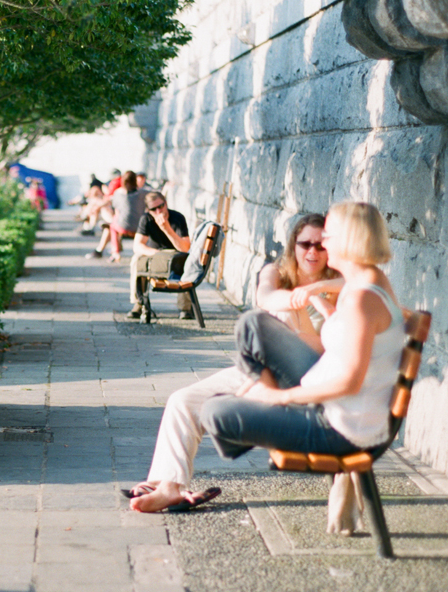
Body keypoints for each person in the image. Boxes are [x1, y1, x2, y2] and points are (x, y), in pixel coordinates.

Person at [125, 212, 342, 514]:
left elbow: (322, 347)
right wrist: (299, 296)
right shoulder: (276, 272)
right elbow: (265, 296)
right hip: (261, 369)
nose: (312, 252)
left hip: (304, 379)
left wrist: (313, 295)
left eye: (321, 246)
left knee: (279, 320)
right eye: (305, 244)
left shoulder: (339, 287)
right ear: (294, 245)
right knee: (182, 400)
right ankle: (170, 487)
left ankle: (235, 415)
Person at [201, 201, 404, 490]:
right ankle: (258, 413)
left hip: (340, 428)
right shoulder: (370, 281)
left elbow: (350, 382)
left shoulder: (362, 299)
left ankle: (259, 415)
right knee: (253, 323)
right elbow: (351, 338)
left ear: (348, 240)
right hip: (333, 404)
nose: (321, 244)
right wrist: (318, 297)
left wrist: (280, 398)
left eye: (327, 237)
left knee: (214, 411)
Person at [127, 190, 192, 319]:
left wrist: (167, 229)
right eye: (153, 209)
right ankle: (139, 303)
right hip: (155, 255)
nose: (158, 211)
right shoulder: (146, 219)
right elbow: (137, 245)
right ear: (148, 210)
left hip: (175, 256)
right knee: (136, 259)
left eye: (161, 206)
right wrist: (157, 254)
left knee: (188, 262)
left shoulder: (177, 218)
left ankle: (185, 307)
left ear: (166, 204)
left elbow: (185, 248)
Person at [88, 171, 143, 260]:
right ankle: (102, 250)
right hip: (140, 226)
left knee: (112, 226)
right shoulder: (143, 192)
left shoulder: (119, 193)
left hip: (124, 227)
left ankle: (115, 252)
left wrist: (96, 208)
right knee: (113, 223)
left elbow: (114, 207)